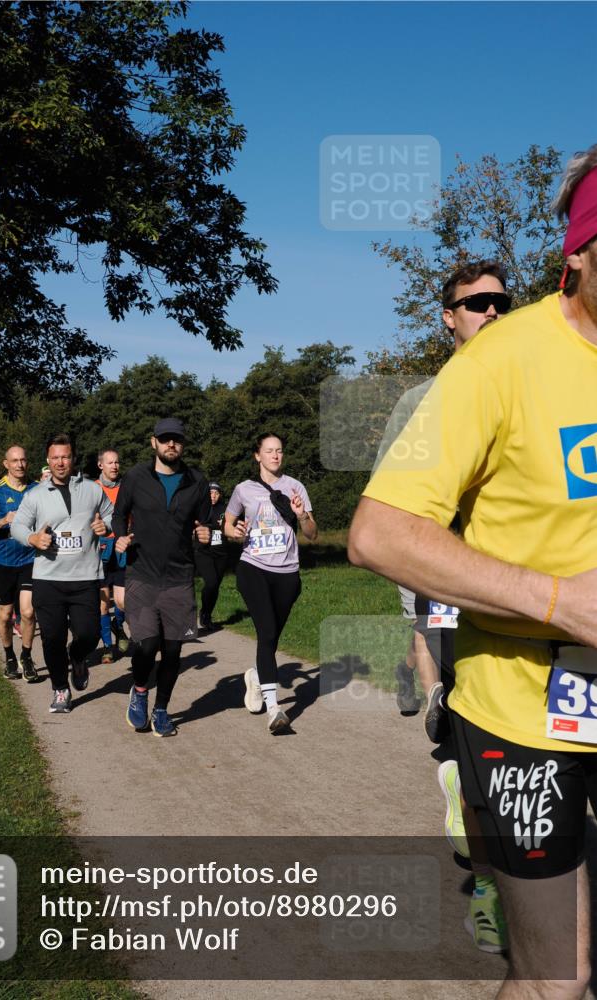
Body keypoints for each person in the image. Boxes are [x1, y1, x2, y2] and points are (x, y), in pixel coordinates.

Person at [349, 147, 597, 997]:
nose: (484, 310)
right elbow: (380, 533)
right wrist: (564, 602)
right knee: (556, 980)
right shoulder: (496, 363)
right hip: (525, 703)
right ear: (579, 250)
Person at [370, 260, 512, 954]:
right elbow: (389, 517)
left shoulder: (535, 387)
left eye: (501, 301)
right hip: (456, 590)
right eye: (476, 302)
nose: (492, 311)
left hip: (536, 597)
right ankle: (488, 889)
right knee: (483, 743)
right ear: (449, 318)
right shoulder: (423, 401)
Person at [113, 418, 211, 737]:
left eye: (177, 440)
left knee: (172, 650)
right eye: (165, 439)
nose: (171, 444)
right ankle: (140, 690)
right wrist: (120, 536)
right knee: (147, 644)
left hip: (179, 578)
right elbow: (118, 513)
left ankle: (161, 710)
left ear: (183, 444)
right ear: (153, 442)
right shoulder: (135, 477)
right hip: (141, 573)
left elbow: (205, 523)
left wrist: (205, 534)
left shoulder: (197, 481)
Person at [11, 434, 113, 714]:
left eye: (65, 457)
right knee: (52, 638)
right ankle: (60, 689)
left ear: (73, 458)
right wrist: (32, 538)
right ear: (48, 460)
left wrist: (106, 526)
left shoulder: (92, 490)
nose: (60, 462)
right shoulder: (35, 495)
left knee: (89, 634)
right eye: (55, 457)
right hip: (48, 579)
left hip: (85, 578)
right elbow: (18, 526)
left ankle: (77, 656)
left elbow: (112, 514)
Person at [224, 434, 317, 733]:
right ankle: (274, 708)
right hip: (253, 567)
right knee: (266, 632)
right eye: (269, 451)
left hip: (287, 572)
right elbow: (227, 525)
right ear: (258, 456)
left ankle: (255, 676)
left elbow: (312, 533)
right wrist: (235, 532)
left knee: (271, 636)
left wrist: (302, 516)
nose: (275, 455)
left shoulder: (295, 487)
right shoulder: (244, 489)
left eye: (279, 451)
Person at [0, 445, 39, 682]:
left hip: (31, 559)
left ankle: (27, 656)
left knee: (28, 611)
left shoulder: (37, 488)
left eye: (23, 460)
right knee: (5, 615)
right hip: (4, 562)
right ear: (6, 464)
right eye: (15, 461)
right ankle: (10, 656)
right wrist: (4, 520)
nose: (20, 465)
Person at [96, 448, 130, 663]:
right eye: (110, 462)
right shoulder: (92, 489)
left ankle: (119, 626)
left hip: (122, 545)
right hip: (99, 548)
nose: (115, 466)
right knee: (102, 602)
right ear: (101, 465)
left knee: (122, 601)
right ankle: (107, 647)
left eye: (117, 462)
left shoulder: (127, 487)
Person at [194, 481, 229, 631]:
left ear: (220, 495)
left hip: (221, 553)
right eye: (210, 493)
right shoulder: (198, 508)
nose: (213, 496)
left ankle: (206, 615)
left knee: (215, 587)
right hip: (203, 552)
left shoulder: (225, 510)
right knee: (211, 583)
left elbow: (233, 525)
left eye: (216, 493)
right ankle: (202, 611)